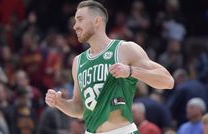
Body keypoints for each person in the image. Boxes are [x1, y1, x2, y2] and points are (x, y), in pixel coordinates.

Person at [45, 0, 174, 134]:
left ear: (97, 21)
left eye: (80, 20)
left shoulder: (124, 49)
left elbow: (168, 81)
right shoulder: (78, 61)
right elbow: (80, 109)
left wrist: (130, 71)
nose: (75, 26)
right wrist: (59, 103)